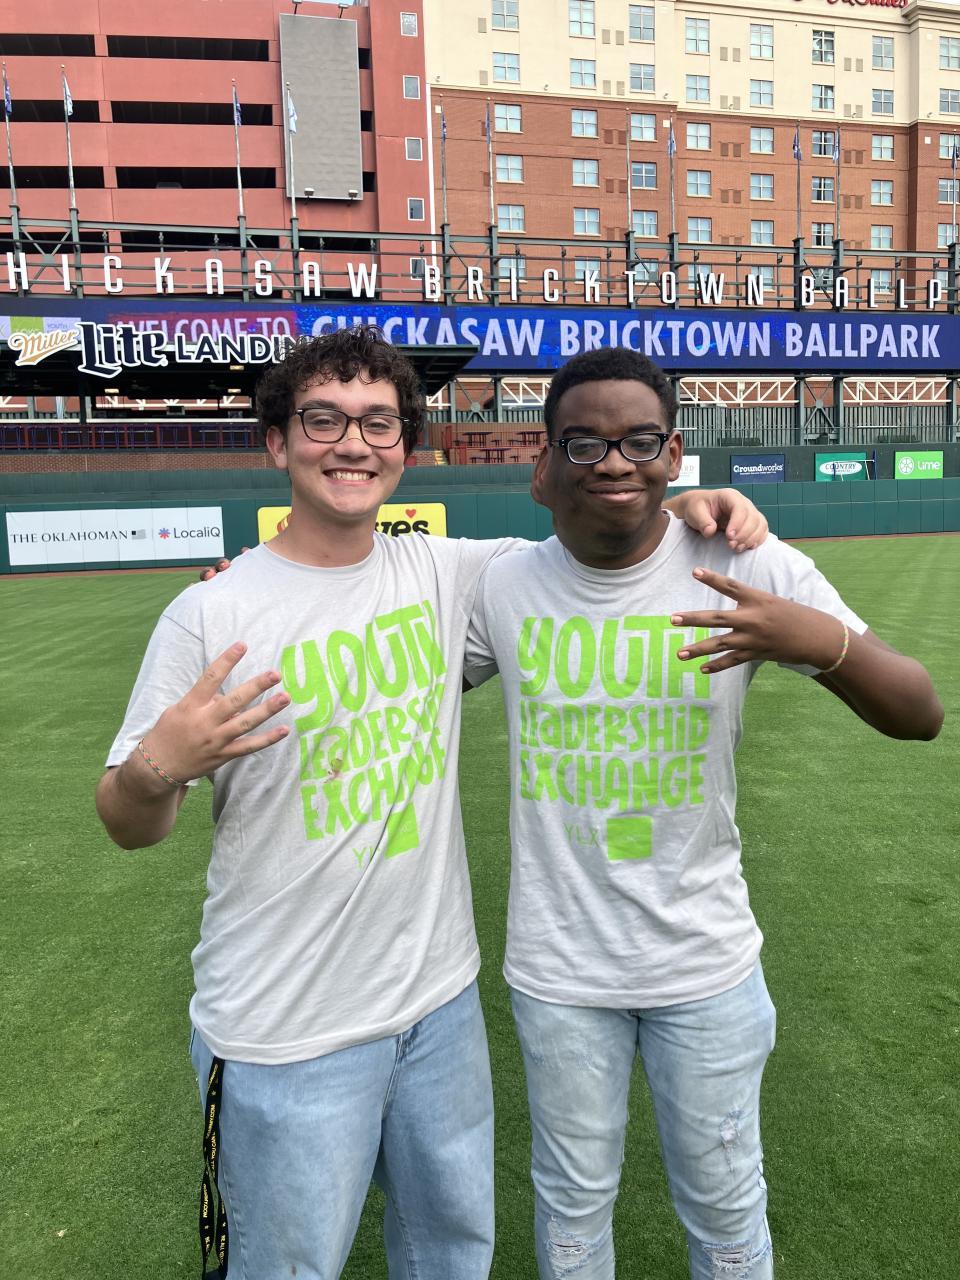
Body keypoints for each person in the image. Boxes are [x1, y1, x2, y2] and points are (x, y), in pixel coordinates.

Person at [95, 326, 769, 1280]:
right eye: (323, 420)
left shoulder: (453, 574)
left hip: (439, 1010)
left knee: (453, 1257)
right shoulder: (211, 613)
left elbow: (604, 526)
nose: (353, 443)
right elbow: (127, 823)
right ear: (277, 441)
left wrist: (695, 503)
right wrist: (158, 767)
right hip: (284, 1025)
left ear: (405, 449)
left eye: (378, 422)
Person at [463, 346, 943, 1280]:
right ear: (544, 463)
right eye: (584, 442)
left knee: (726, 1207)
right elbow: (366, 621)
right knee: (570, 1205)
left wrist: (819, 640)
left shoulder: (741, 562)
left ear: (675, 452)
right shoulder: (499, 583)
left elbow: (918, 712)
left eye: (640, 441)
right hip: (561, 969)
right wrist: (254, 585)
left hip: (705, 962)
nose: (614, 462)